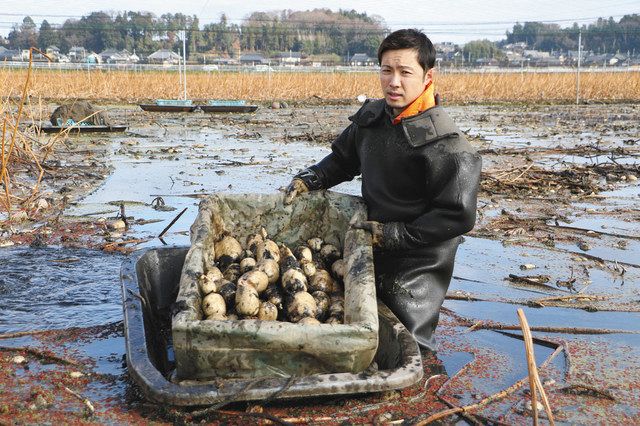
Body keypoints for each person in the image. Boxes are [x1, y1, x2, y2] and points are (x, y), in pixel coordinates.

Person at [284, 29, 481, 351]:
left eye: (405, 73)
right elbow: (343, 160)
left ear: (428, 76)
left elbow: (456, 216)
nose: (394, 82)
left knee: (405, 341)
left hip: (420, 256)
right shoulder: (373, 119)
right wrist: (312, 178)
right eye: (386, 70)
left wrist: (394, 235)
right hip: (371, 238)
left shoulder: (449, 147)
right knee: (352, 319)